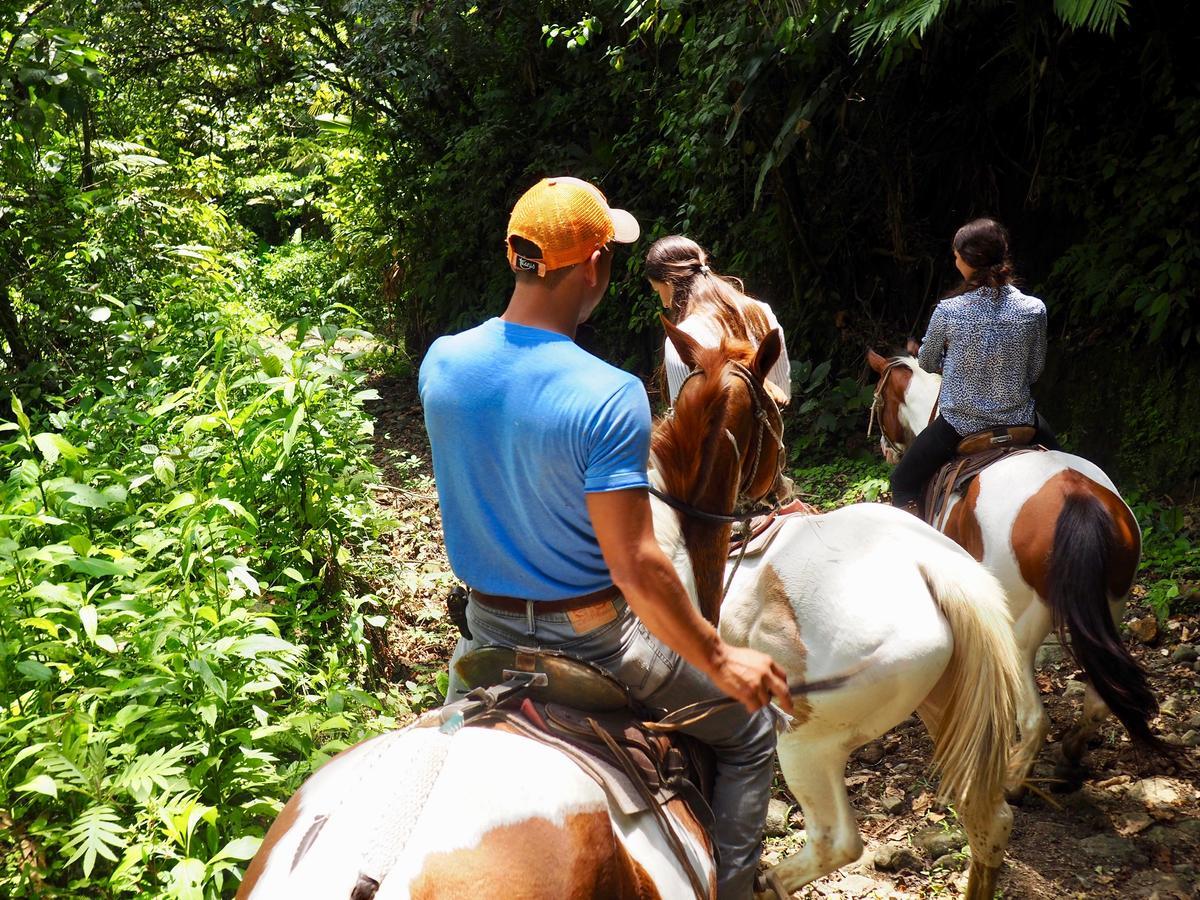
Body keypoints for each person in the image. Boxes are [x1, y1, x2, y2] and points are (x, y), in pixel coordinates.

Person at [418, 176, 792, 899]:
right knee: (750, 732)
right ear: (594, 268)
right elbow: (637, 566)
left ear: (513, 256)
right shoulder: (608, 392)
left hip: (483, 632)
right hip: (596, 644)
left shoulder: (442, 363)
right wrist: (723, 659)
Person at [890, 217, 1061, 511]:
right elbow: (1034, 371)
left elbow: (928, 363)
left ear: (968, 260)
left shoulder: (948, 311)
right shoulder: (1034, 309)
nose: (955, 260)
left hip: (961, 426)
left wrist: (952, 362)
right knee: (1066, 467)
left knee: (902, 482)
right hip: (1020, 421)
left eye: (956, 255)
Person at [645, 235, 791, 407]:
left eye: (658, 290)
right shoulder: (762, 312)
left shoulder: (684, 339)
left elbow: (686, 424)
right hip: (772, 431)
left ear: (669, 284)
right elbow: (784, 395)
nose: (664, 303)